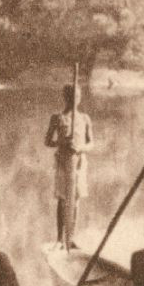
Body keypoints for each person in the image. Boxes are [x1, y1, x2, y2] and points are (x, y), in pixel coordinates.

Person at [44, 84, 94, 247]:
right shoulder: (57, 118)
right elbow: (48, 141)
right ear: (65, 98)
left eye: (78, 97)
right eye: (72, 97)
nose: (75, 100)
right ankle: (60, 239)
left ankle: (70, 237)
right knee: (63, 199)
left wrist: (80, 148)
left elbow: (91, 143)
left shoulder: (85, 118)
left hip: (79, 163)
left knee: (76, 198)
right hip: (63, 163)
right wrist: (62, 142)